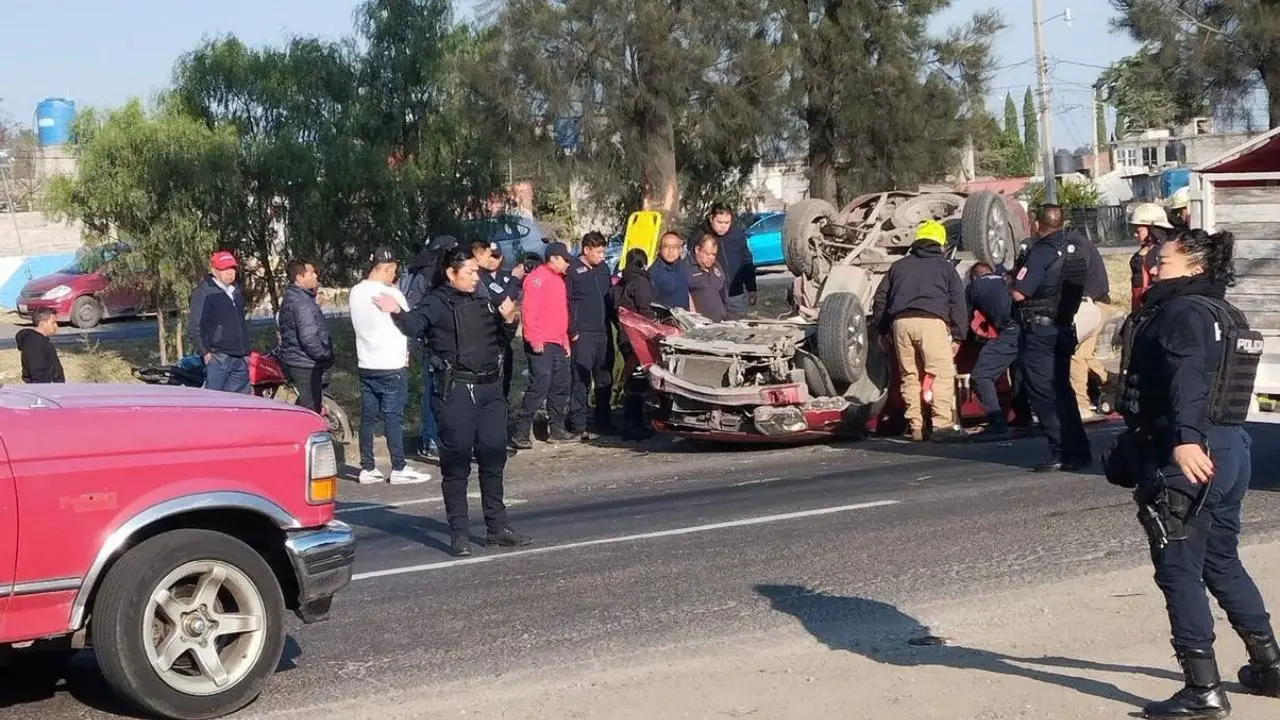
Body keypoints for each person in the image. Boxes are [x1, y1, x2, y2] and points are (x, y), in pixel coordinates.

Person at [1108, 229, 1279, 718]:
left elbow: (1189, 376)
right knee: (1221, 560)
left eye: (1163, 261)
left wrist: (1184, 438)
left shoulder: (1181, 312)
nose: (1152, 267)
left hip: (1190, 452)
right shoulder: (1225, 312)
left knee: (1179, 567)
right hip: (1231, 448)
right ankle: (1270, 665)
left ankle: (1202, 689)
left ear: (1195, 266)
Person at [377, 247, 530, 557]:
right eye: (470, 272)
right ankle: (459, 533)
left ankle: (497, 527)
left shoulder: (483, 298)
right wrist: (396, 312)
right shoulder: (436, 302)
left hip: (490, 390)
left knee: (493, 457)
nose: (476, 277)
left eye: (477, 272)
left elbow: (500, 339)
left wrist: (508, 320)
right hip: (456, 393)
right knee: (457, 464)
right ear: (451, 273)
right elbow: (413, 326)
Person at [870, 220, 967, 442]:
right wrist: (959, 335)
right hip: (931, 322)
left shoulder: (898, 266)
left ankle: (916, 427)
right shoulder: (945, 267)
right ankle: (942, 425)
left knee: (909, 375)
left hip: (901, 324)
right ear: (941, 244)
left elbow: (880, 299)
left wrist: (883, 330)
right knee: (940, 374)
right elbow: (958, 302)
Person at [1011, 205, 1091, 472]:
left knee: (1044, 394)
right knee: (1064, 393)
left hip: (1040, 331)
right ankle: (1078, 450)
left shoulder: (1041, 251)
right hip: (1063, 327)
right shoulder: (1074, 250)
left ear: (1037, 224)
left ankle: (1061, 450)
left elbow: (1020, 293)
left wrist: (1010, 280)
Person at [349, 247, 431, 486]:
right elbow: (409, 323)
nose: (395, 276)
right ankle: (398, 467)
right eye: (394, 271)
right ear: (387, 268)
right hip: (391, 364)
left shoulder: (356, 292)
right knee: (393, 417)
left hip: (366, 362)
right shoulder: (391, 294)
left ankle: (367, 467)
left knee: (368, 416)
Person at [511, 242, 574, 448]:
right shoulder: (536, 279)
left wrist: (565, 341)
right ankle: (521, 431)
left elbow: (560, 314)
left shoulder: (559, 281)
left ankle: (556, 428)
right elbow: (529, 310)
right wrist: (533, 338)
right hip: (541, 342)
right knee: (540, 385)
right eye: (565, 260)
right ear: (554, 258)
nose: (568, 264)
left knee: (560, 385)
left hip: (557, 341)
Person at [402, 235, 459, 463]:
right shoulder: (428, 275)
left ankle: (435, 440)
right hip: (434, 343)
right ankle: (433, 441)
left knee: (437, 392)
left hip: (433, 341)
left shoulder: (420, 271)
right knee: (437, 392)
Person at [567, 231, 616, 437]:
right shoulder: (573, 271)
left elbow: (609, 298)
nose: (602, 257)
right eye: (598, 252)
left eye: (604, 252)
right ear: (586, 250)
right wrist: (573, 329)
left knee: (604, 378)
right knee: (581, 379)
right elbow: (568, 302)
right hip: (583, 333)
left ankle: (603, 422)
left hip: (603, 332)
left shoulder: (603, 269)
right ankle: (578, 424)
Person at [965, 263, 1017, 437]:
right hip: (1030, 328)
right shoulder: (1005, 280)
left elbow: (965, 318)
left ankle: (997, 423)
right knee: (1021, 375)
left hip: (1008, 331)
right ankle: (1024, 419)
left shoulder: (974, 286)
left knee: (981, 376)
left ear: (974, 276)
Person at [190, 251, 252, 394]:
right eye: (224, 269)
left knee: (241, 402)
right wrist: (205, 352)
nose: (230, 272)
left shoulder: (236, 292)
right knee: (216, 401)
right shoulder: (204, 293)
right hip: (219, 358)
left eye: (232, 268)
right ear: (214, 271)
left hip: (241, 358)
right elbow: (195, 326)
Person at [277, 258, 333, 413]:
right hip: (305, 364)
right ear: (299, 278)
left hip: (299, 360)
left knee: (308, 405)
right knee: (310, 410)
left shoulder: (297, 298)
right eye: (311, 273)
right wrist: (324, 355)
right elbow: (309, 338)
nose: (316, 276)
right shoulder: (301, 302)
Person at [612, 247, 656, 441]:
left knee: (631, 379)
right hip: (637, 336)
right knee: (638, 380)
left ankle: (631, 423)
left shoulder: (621, 282)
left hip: (624, 335)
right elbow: (645, 310)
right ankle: (634, 425)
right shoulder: (640, 282)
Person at [1069, 228, 1112, 420]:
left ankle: (1081, 404)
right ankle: (1111, 381)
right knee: (1085, 354)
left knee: (1077, 355)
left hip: (1091, 304)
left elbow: (1076, 277)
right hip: (1095, 302)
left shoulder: (1077, 247)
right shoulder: (1082, 244)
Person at [472, 240, 523, 398]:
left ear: (501, 258)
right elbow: (504, 298)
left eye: (496, 256)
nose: (492, 260)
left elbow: (514, 301)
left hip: (503, 332)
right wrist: (515, 280)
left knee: (505, 376)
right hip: (487, 334)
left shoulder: (505, 277)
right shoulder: (480, 277)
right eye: (490, 256)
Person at [691, 204, 756, 318]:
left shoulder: (737, 235)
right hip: (711, 296)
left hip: (735, 295)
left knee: (738, 326)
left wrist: (752, 288)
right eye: (719, 222)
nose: (723, 226)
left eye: (727, 222)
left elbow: (746, 262)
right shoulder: (700, 237)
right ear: (711, 219)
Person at [1129, 202, 1174, 312]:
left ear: (1153, 229)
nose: (1135, 235)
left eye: (1138, 231)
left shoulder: (1162, 251)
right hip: (1140, 303)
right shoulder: (1147, 248)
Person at [16, 308, 64, 384]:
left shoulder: (41, 341)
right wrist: (46, 389)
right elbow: (38, 373)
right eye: (53, 323)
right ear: (42, 323)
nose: (56, 326)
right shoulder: (34, 343)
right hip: (45, 388)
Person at [689, 234, 730, 322]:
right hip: (701, 323)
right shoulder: (687, 268)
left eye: (713, 254)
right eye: (707, 254)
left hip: (722, 321)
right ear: (697, 250)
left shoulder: (717, 266)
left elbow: (723, 294)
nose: (711, 258)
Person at [651, 230, 691, 310]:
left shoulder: (683, 266)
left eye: (675, 247)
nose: (671, 251)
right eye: (666, 246)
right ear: (660, 249)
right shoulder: (654, 272)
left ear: (680, 249)